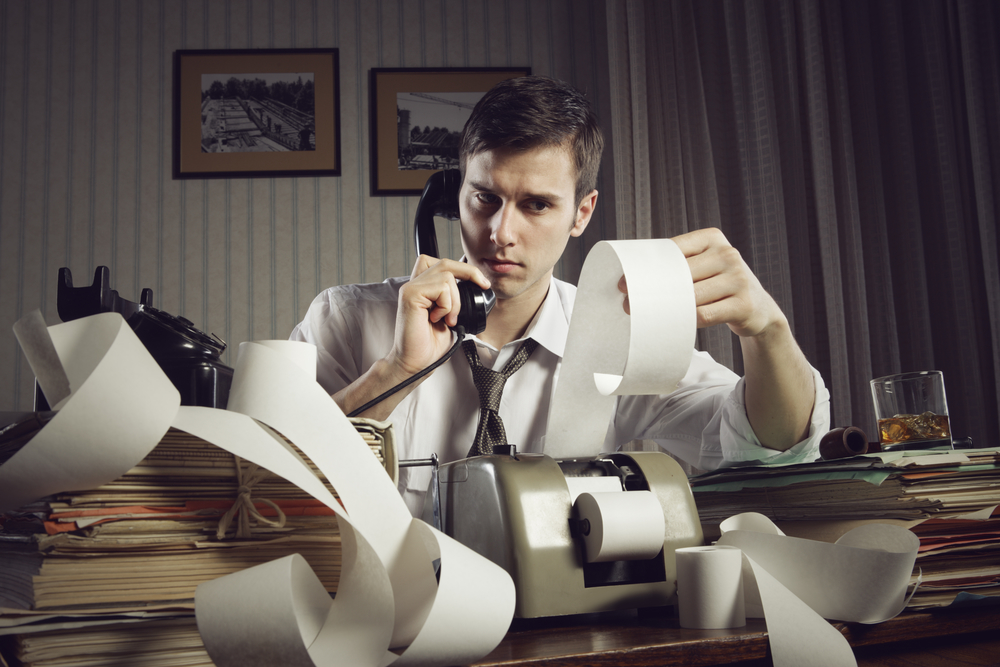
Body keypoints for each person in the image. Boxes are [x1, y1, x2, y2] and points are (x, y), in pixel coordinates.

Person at [291, 76, 830, 516]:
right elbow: (267, 482)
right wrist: (395, 370)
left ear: (582, 213)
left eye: (536, 205)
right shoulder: (344, 319)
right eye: (484, 198)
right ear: (453, 196)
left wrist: (769, 333)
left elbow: (765, 444)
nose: (501, 231)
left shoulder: (617, 335)